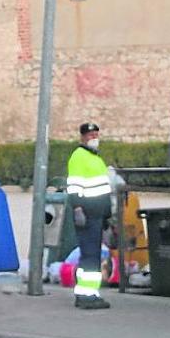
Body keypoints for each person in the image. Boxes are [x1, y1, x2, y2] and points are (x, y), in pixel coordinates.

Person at [67, 122, 112, 309]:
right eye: (90, 135)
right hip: (87, 214)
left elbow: (103, 189)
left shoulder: (95, 158)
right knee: (89, 256)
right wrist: (77, 209)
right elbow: (74, 187)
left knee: (92, 256)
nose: (94, 138)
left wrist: (107, 214)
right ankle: (87, 295)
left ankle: (87, 293)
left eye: (96, 134)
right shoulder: (79, 157)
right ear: (82, 137)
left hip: (97, 214)